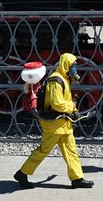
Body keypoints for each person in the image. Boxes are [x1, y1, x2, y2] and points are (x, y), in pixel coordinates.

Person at [14, 53, 94, 189]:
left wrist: (71, 109)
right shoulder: (56, 81)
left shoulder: (64, 78)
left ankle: (77, 179)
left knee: (71, 150)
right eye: (73, 66)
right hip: (54, 125)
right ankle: (22, 173)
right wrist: (72, 107)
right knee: (43, 150)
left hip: (63, 124)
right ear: (66, 65)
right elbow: (57, 104)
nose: (75, 70)